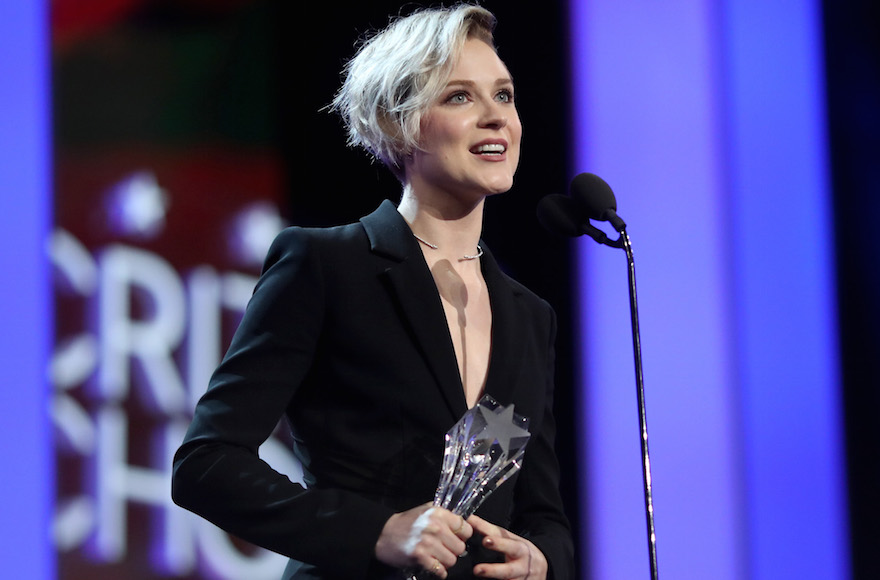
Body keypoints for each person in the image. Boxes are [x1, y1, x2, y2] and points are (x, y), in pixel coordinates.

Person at [172, 4, 574, 579]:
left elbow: (542, 514)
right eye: (460, 96)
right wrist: (376, 532)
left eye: (504, 95)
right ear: (400, 122)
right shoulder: (326, 265)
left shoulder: (529, 316)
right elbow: (206, 464)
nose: (495, 117)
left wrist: (542, 561)